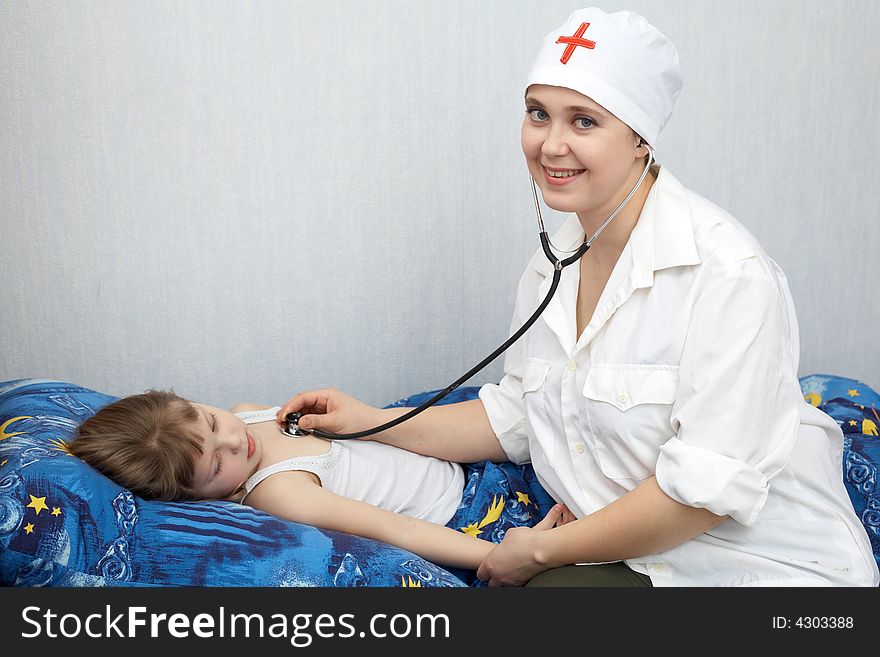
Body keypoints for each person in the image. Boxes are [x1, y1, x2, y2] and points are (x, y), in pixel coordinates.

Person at [277, 7, 880, 587]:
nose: (551, 144)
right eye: (538, 114)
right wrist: (368, 423)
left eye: (584, 120)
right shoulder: (554, 262)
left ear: (640, 139)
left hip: (755, 569)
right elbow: (515, 419)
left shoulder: (730, 276)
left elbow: (704, 498)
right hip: (621, 555)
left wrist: (538, 550)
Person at [69, 389, 567, 573]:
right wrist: (495, 557)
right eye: (217, 466)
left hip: (460, 462)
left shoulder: (248, 414)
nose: (235, 441)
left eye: (213, 423)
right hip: (470, 514)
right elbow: (397, 530)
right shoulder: (281, 492)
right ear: (197, 498)